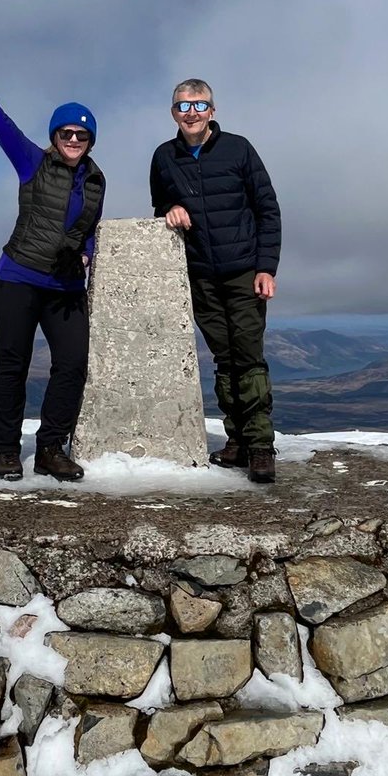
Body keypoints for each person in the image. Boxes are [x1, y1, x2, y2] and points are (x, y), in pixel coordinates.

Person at [0, 40, 105, 483]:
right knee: (12, 364)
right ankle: (7, 452)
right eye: (66, 133)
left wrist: (88, 249)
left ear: (90, 141)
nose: (73, 140)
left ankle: (51, 449)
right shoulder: (31, 161)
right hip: (18, 278)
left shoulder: (95, 179)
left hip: (66, 286)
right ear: (54, 136)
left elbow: (90, 224)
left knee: (72, 364)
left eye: (82, 135)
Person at [149, 78, 281, 483]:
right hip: (200, 274)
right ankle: (237, 441)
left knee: (248, 357)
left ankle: (260, 447)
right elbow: (159, 202)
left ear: (212, 110)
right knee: (225, 361)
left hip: (243, 272)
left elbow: (267, 209)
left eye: (199, 105)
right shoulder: (164, 157)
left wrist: (265, 267)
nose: (192, 113)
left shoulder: (238, 149)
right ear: (173, 113)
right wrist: (170, 207)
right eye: (183, 107)